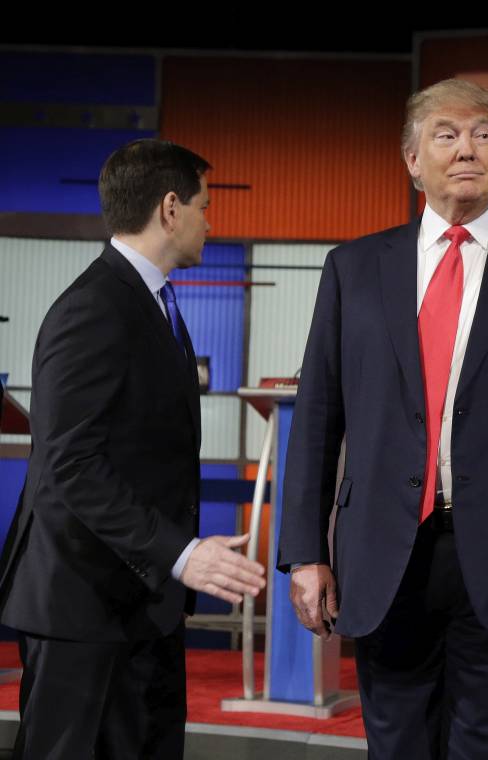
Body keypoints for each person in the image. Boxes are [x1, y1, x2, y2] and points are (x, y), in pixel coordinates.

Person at [277, 78, 488, 758]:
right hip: (385, 560)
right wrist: (306, 551)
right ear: (412, 160)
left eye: (483, 136)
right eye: (447, 135)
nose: (467, 150)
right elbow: (318, 419)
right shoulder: (354, 268)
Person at [0, 138, 266, 759]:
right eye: (204, 205)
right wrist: (180, 553)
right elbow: (69, 463)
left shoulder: (148, 303)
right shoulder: (94, 308)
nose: (211, 220)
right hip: (82, 608)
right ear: (170, 209)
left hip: (139, 603)